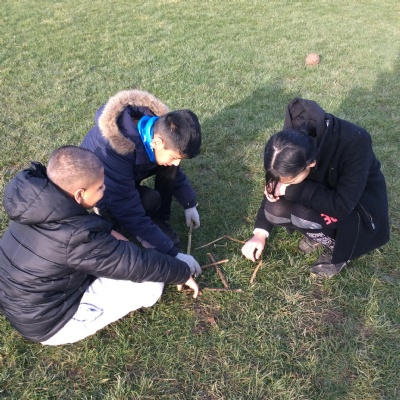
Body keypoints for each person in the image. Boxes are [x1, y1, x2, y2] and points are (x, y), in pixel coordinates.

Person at [0, 146, 199, 345]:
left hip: (21, 301)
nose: (104, 190)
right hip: (50, 322)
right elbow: (135, 264)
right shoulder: (75, 237)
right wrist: (180, 271)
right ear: (79, 194)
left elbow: (86, 227)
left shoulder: (39, 202)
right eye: (100, 187)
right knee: (151, 285)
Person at [242, 98, 390, 278]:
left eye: (291, 180)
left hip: (357, 206)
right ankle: (316, 232)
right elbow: (276, 184)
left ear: (311, 163)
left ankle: (338, 249)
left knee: (303, 215)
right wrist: (260, 233)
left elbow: (343, 205)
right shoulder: (290, 140)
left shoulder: (356, 140)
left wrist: (288, 190)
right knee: (274, 209)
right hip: (319, 192)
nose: (285, 184)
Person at [81, 89, 202, 270]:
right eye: (175, 157)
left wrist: (189, 203)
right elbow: (129, 210)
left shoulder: (159, 128)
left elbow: (173, 167)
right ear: (158, 142)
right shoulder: (113, 149)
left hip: (129, 173)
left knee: (165, 174)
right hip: (105, 189)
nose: (177, 163)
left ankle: (159, 220)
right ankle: (107, 213)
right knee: (142, 203)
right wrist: (172, 253)